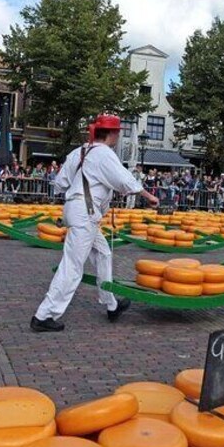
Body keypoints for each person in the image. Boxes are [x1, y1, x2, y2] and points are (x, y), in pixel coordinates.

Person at [31, 115, 160, 333]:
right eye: (118, 132)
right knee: (72, 266)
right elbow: (125, 180)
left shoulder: (80, 151)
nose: (119, 136)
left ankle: (111, 305)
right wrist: (150, 197)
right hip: (85, 214)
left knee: (103, 253)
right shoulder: (104, 154)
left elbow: (61, 183)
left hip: (77, 209)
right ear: (112, 134)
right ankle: (44, 315)